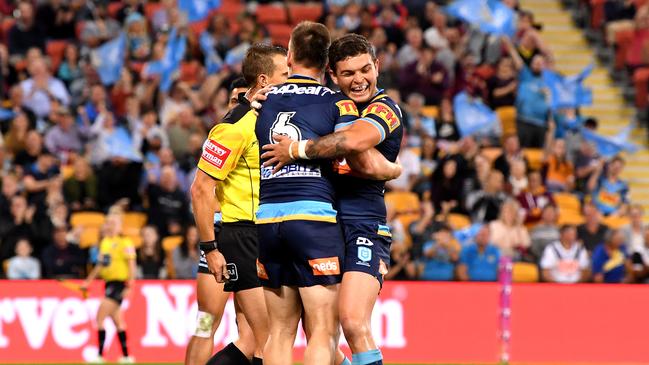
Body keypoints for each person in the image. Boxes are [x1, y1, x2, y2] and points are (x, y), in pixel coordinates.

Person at [260, 33, 403, 365]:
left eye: (365, 70)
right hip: (324, 224)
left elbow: (353, 143)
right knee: (319, 333)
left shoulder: (385, 108)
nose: (359, 80)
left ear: (377, 66)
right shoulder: (328, 105)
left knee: (352, 320)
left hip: (363, 226)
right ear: (333, 75)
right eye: (348, 74)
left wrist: (298, 149)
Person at [189, 44, 289, 365]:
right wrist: (210, 247)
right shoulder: (232, 129)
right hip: (231, 237)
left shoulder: (266, 123)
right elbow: (201, 189)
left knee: (250, 338)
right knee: (207, 323)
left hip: (255, 236)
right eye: (234, 99)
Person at [81, 213, 136, 364]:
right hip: (109, 284)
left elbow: (132, 266)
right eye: (108, 223)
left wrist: (130, 286)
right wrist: (88, 281)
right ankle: (126, 357)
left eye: (113, 223)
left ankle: (99, 355)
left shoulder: (126, 242)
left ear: (119, 226)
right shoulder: (105, 242)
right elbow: (100, 266)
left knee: (99, 318)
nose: (109, 225)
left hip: (119, 284)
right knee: (118, 322)